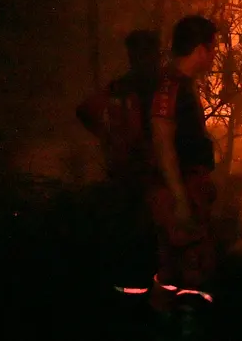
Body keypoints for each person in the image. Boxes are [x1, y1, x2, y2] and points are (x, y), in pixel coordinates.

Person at [147, 15, 219, 333]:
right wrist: (180, 198)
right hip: (177, 190)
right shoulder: (171, 85)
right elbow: (163, 141)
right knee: (190, 262)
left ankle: (169, 322)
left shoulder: (178, 84)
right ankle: (176, 326)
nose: (214, 55)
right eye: (212, 48)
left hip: (186, 186)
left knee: (178, 263)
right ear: (201, 49)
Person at [75, 29, 160, 299]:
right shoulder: (148, 87)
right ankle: (139, 294)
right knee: (144, 234)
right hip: (142, 172)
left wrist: (107, 137)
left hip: (131, 171)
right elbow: (86, 110)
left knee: (135, 233)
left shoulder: (125, 86)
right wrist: (108, 136)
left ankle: (130, 292)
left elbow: (86, 110)